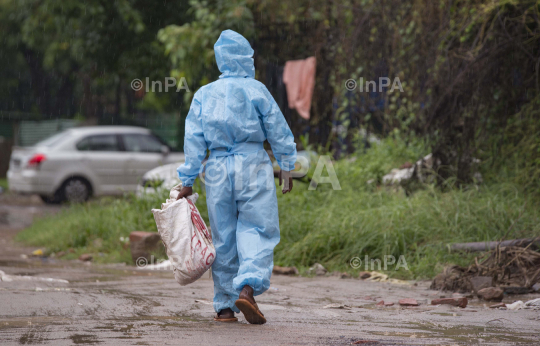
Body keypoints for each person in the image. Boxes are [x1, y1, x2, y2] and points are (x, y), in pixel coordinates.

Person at [176, 29, 297, 324]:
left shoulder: (204, 94)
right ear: (247, 58)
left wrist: (188, 179)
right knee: (257, 228)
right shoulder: (256, 90)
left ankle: (224, 308)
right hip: (252, 162)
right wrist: (287, 165)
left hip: (216, 167)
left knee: (223, 237)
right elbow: (277, 128)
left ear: (220, 60)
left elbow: (193, 139)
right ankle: (247, 288)